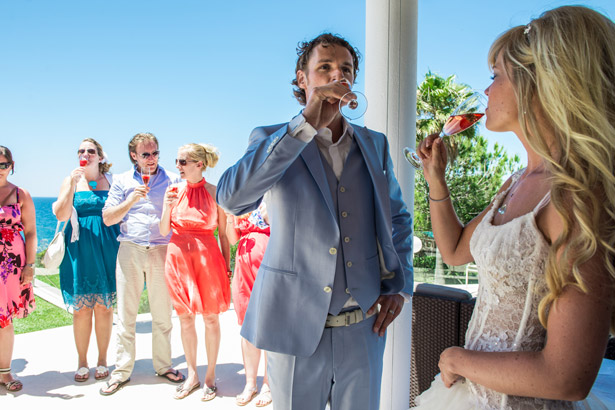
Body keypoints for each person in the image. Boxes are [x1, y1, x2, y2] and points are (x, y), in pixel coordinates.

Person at [413, 6, 615, 409]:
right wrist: (436, 180)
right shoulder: (515, 184)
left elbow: (566, 377)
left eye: (496, 76)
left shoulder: (577, 199)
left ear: (540, 84)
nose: (486, 91)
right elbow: (453, 252)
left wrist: (457, 359)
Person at [217, 33, 413, 410]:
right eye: (324, 67)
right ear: (302, 79)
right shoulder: (271, 138)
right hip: (292, 326)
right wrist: (303, 126)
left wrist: (398, 285)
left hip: (364, 326)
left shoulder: (375, 144)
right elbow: (232, 199)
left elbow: (398, 218)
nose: (337, 75)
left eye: (346, 69)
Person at [100, 132, 184, 395]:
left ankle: (164, 366)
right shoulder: (122, 181)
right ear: (134, 155)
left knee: (163, 315)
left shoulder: (173, 179)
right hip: (130, 249)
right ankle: (122, 371)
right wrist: (131, 199)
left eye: (155, 153)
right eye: (146, 154)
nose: (152, 159)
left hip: (161, 249)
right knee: (126, 316)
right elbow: (108, 219)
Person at [159, 143, 231, 401]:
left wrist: (227, 267)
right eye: (177, 161)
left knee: (211, 318)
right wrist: (167, 206)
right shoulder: (172, 191)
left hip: (208, 259)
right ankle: (192, 374)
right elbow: (164, 230)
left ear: (199, 164)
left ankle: (210, 376)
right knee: (185, 318)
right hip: (178, 258)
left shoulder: (215, 193)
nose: (177, 166)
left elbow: (222, 234)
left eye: (182, 162)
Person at [53, 138, 120, 382]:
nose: (86, 154)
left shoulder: (113, 181)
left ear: (101, 156)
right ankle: (82, 362)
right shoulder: (70, 180)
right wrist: (71, 184)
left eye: (91, 151)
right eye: (81, 150)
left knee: (104, 306)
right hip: (80, 248)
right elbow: (60, 214)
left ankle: (103, 360)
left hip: (109, 247)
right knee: (81, 309)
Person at [227, 203, 271, 407]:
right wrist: (229, 217)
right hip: (243, 267)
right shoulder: (243, 200)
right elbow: (233, 239)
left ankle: (269, 384)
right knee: (247, 327)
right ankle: (250, 383)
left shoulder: (272, 194)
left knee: (270, 325)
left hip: (269, 263)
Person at [0, 146, 36, 392]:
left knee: (4, 319)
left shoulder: (21, 193)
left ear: (11, 165)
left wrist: (30, 266)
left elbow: (31, 232)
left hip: (11, 265)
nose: (0, 169)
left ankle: (4, 372)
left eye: (4, 164)